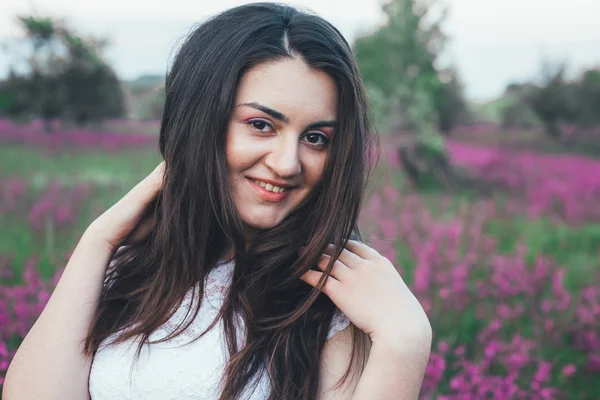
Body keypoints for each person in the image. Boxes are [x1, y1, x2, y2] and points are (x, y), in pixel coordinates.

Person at [3, 2, 432, 399]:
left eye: (316, 138)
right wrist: (98, 240)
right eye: (262, 125)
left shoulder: (332, 301)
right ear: (201, 122)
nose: (287, 164)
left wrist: (404, 344)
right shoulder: (129, 268)